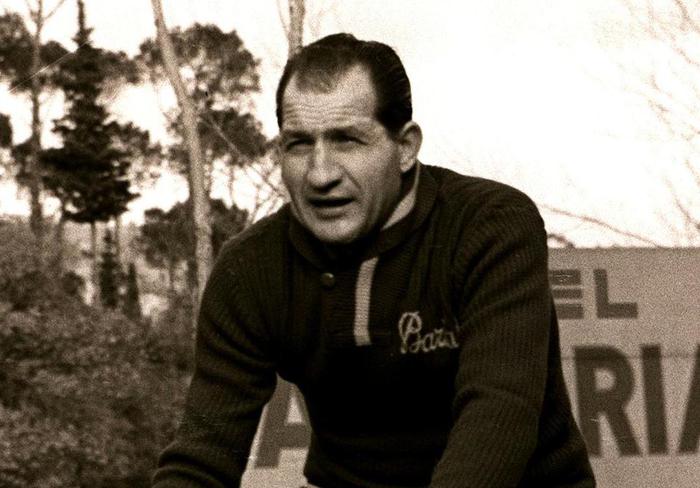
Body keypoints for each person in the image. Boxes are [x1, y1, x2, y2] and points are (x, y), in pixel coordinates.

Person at [152, 33, 595, 488]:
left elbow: (497, 419)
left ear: (405, 147)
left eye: (347, 140)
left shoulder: (489, 225)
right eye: (299, 144)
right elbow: (202, 457)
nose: (320, 175)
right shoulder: (250, 269)